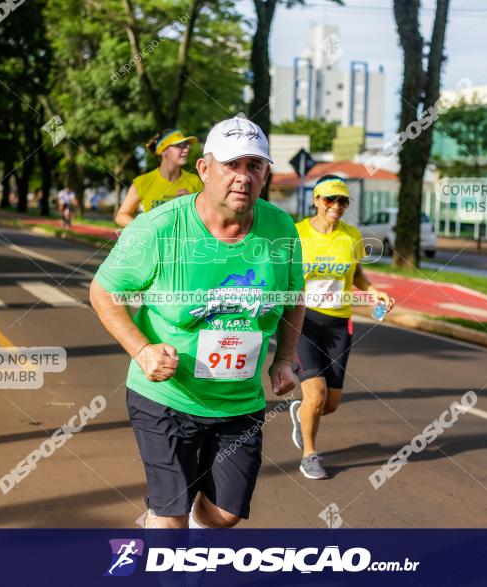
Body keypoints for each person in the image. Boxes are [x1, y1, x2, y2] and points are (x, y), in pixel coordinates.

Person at [91, 116, 305, 529]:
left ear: (265, 174)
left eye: (254, 166)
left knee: (223, 515)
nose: (243, 177)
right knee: (170, 518)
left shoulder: (281, 229)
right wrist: (142, 350)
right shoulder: (159, 228)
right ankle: (167, 519)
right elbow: (103, 293)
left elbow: (293, 296)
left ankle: (175, 508)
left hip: (239, 400)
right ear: (205, 170)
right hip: (167, 396)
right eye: (232, 165)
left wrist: (286, 358)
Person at [289, 175, 394, 480]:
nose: (336, 206)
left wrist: (372, 291)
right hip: (304, 320)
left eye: (343, 201)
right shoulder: (296, 234)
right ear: (316, 200)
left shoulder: (351, 236)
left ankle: (302, 413)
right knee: (316, 394)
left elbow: (356, 272)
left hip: (338, 324)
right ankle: (309, 454)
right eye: (329, 199)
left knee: (330, 404)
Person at [114, 129, 203, 227]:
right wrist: (148, 230)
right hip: (154, 242)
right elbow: (121, 216)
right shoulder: (143, 182)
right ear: (164, 151)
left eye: (186, 145)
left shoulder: (195, 181)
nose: (186, 149)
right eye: (180, 146)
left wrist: (192, 204)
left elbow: (209, 216)